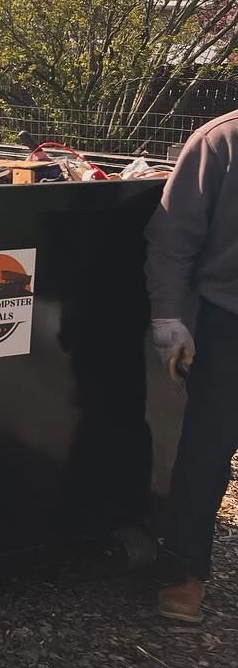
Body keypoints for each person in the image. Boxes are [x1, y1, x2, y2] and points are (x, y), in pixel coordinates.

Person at [145, 109, 238, 622]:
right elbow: (171, 240)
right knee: (206, 454)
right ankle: (183, 574)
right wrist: (168, 318)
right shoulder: (222, 141)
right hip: (230, 322)